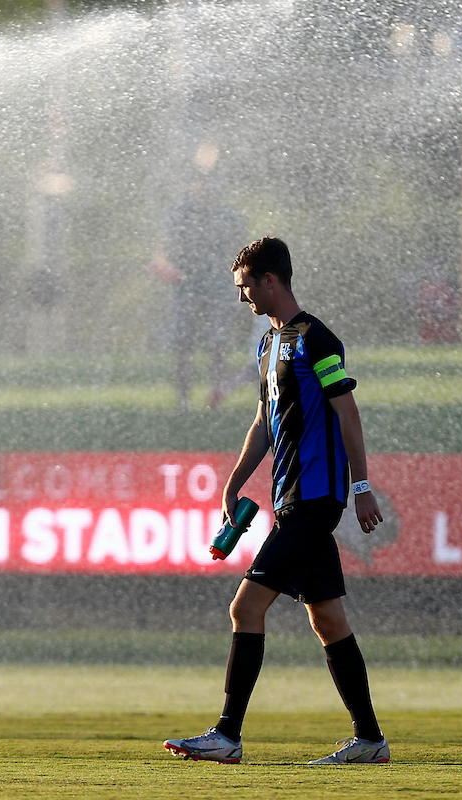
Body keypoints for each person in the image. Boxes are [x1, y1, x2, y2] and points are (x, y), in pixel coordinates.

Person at [163, 237, 389, 765]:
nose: (241, 296)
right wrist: (234, 482)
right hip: (290, 499)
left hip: (315, 499)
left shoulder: (316, 339)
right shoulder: (267, 345)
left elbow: (348, 414)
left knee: (245, 607)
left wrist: (360, 487)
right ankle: (370, 740)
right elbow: (264, 422)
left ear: (270, 280)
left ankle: (226, 736)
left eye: (245, 286)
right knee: (328, 619)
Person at [149, 146, 248, 412]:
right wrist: (163, 265)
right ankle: (183, 401)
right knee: (183, 344)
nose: (206, 188)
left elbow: (242, 253)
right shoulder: (179, 213)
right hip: (186, 285)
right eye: (201, 183)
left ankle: (216, 398)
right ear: (193, 185)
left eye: (211, 183)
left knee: (218, 344)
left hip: (219, 286)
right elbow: (162, 247)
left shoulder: (228, 216)